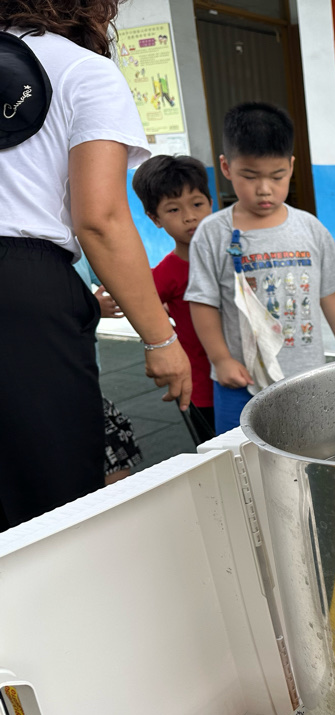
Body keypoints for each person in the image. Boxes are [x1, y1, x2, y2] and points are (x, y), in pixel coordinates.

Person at [0, 1, 191, 530]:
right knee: (53, 512)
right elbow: (101, 219)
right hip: (23, 293)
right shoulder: (82, 70)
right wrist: (160, 340)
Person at [186, 102, 335, 434]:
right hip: (241, 380)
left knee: (311, 447)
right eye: (250, 176)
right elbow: (203, 302)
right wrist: (221, 359)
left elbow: (330, 292)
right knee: (241, 455)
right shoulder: (213, 232)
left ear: (291, 167)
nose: (264, 189)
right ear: (226, 167)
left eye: (277, 176)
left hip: (306, 378)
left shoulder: (310, 228)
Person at [133, 154, 216, 440]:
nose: (189, 216)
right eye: (173, 209)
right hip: (203, 386)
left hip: (252, 376)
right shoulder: (166, 273)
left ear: (211, 203)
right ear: (155, 218)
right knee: (218, 455)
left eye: (197, 204)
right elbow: (141, 306)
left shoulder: (233, 255)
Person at [73, 255, 143, 485]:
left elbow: (116, 274)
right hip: (45, 374)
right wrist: (90, 306)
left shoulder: (77, 245)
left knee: (115, 448)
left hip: (85, 372)